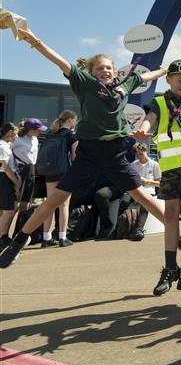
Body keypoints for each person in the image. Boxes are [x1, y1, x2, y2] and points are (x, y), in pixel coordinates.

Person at [0, 28, 167, 269]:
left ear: (115, 70)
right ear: (91, 72)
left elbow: (147, 77)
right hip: (89, 153)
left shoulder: (124, 86)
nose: (105, 71)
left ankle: (178, 236)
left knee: (142, 196)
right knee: (55, 198)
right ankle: (18, 242)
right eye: (100, 68)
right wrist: (35, 42)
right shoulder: (85, 83)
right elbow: (58, 61)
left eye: (109, 67)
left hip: (116, 153)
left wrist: (165, 70)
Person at [132, 59, 181, 295]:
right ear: (168, 79)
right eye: (180, 80)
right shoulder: (158, 102)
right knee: (170, 214)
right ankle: (170, 268)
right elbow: (150, 118)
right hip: (170, 166)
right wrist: (144, 130)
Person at [41, 111, 79, 248]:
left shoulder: (50, 134)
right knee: (64, 205)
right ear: (69, 120)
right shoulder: (71, 136)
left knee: (49, 204)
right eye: (75, 119)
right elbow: (75, 158)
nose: (76, 121)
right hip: (65, 173)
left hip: (50, 173)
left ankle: (46, 238)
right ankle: (63, 237)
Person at [12, 118, 46, 218]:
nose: (40, 132)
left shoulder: (35, 140)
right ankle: (4, 232)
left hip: (31, 170)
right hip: (20, 170)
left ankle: (19, 230)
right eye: (39, 130)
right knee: (15, 204)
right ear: (31, 130)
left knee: (26, 203)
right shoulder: (17, 139)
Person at [128, 142, 160, 240]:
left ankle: (139, 229)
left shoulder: (154, 164)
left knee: (145, 205)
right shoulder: (133, 165)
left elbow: (160, 183)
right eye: (137, 155)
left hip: (148, 190)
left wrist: (148, 181)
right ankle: (119, 227)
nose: (139, 157)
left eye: (141, 154)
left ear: (146, 151)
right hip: (134, 190)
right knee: (123, 201)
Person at [0, 123, 20, 249]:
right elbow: (6, 167)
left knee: (5, 210)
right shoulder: (2, 146)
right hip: (4, 178)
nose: (16, 136)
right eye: (15, 133)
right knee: (8, 211)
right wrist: (16, 182)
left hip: (6, 178)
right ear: (9, 132)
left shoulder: (7, 145)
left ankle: (3, 236)